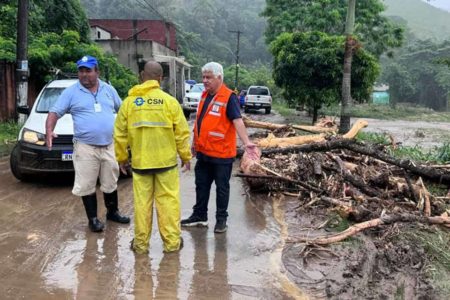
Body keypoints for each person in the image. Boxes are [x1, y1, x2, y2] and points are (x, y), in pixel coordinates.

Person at [114, 61, 192, 254]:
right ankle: (172, 244)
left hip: (141, 164)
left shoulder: (129, 103)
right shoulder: (170, 102)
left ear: (142, 76)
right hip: (166, 164)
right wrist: (185, 156)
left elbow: (120, 133)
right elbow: (182, 133)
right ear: (160, 78)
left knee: (142, 206)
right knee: (168, 204)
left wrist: (122, 158)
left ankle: (141, 245)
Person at [45, 55, 130, 233]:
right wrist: (49, 131)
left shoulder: (108, 89)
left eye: (88, 71)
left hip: (109, 145)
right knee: (87, 184)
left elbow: (122, 111)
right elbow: (54, 112)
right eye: (81, 71)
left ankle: (112, 212)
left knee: (110, 181)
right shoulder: (71, 92)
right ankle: (93, 219)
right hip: (85, 147)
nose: (84, 75)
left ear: (96, 71)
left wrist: (129, 134)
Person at [181, 62, 258, 233]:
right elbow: (199, 121)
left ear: (219, 78)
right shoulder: (203, 95)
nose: (205, 80)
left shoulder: (229, 97)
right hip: (203, 152)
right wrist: (194, 143)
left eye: (209, 77)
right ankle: (200, 215)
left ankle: (221, 220)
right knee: (201, 185)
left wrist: (247, 143)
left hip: (222, 155)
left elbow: (238, 120)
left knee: (222, 188)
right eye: (203, 77)